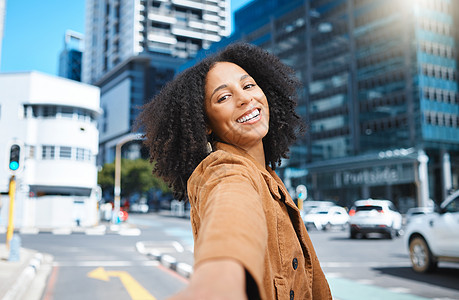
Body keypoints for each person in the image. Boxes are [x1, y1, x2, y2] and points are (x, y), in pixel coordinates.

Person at [137, 43, 332, 299]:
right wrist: (218, 282)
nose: (244, 98)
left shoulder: (268, 176)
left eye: (248, 85)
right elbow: (231, 212)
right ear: (205, 123)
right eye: (223, 97)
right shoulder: (223, 170)